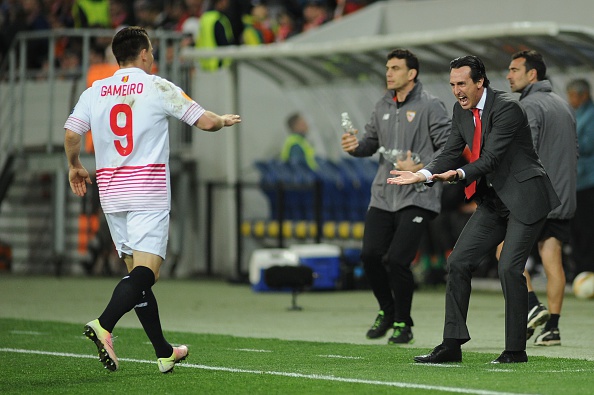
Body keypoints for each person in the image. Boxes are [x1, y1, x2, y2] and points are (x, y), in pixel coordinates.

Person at [63, 26, 241, 373]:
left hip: (112, 193)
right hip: (147, 190)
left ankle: (163, 351)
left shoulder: (95, 90)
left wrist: (75, 166)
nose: (153, 56)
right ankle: (104, 324)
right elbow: (204, 123)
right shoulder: (156, 84)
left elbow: (72, 133)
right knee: (147, 273)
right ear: (144, 53)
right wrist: (221, 119)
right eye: (152, 51)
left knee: (135, 276)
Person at [388, 55, 560, 363]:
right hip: (494, 201)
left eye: (462, 84)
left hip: (525, 198)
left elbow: (490, 158)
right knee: (458, 262)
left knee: (508, 267)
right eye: (453, 84)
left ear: (480, 82)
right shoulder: (460, 111)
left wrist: (457, 174)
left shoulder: (508, 108)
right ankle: (451, 345)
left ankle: (515, 350)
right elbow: (451, 150)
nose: (456, 91)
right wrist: (424, 174)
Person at [341, 48, 451, 345]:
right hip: (383, 193)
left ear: (411, 74)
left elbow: (449, 148)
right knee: (369, 256)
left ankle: (404, 322)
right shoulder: (382, 105)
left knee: (399, 260)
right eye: (387, 68)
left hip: (417, 195)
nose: (388, 73)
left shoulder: (431, 105)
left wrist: (420, 166)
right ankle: (388, 312)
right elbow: (370, 144)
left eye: (395, 68)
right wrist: (354, 146)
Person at [506, 50, 577, 346]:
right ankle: (553, 329)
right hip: (563, 196)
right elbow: (574, 153)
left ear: (532, 74)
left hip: (536, 196)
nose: (509, 75)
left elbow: (526, 151)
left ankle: (533, 305)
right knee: (553, 259)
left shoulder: (529, 106)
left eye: (514, 70)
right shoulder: (563, 105)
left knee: (503, 251)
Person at [566, 79, 594, 276]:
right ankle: (579, 269)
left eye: (572, 95)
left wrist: (564, 142)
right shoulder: (576, 114)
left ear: (583, 95)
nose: (570, 99)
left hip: (589, 181)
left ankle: (587, 269)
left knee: (587, 228)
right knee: (575, 228)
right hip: (575, 182)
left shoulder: (591, 115)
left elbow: (587, 145)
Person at [195, 0, 235, 71]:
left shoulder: (204, 18)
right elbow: (224, 43)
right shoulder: (220, 19)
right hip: (220, 67)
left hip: (204, 67)